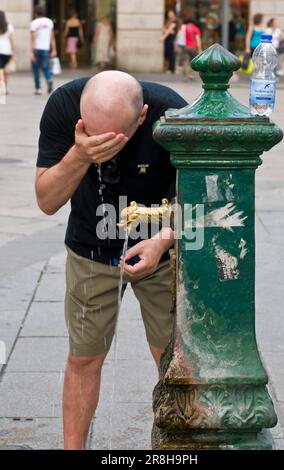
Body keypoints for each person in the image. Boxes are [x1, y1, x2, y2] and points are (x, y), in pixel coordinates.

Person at [35, 71, 187, 450]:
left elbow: (200, 200)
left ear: (141, 117)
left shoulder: (173, 113)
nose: (104, 146)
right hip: (90, 245)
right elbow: (47, 200)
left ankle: (180, 448)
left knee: (173, 360)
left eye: (114, 139)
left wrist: (162, 240)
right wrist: (79, 154)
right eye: (93, 133)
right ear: (82, 111)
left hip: (160, 243)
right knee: (84, 357)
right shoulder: (63, 105)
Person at [30, 5, 57, 95]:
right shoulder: (49, 22)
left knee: (35, 69)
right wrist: (54, 49)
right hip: (46, 49)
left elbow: (33, 39)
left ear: (35, 13)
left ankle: (38, 89)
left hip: (37, 48)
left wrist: (31, 52)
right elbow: (52, 38)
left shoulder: (34, 23)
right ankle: (49, 79)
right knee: (45, 67)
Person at [0, 10, 14, 99]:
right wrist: (12, 50)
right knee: (4, 70)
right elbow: (11, 39)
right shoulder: (9, 26)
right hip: (7, 50)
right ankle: (5, 88)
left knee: (0, 70)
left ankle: (3, 89)